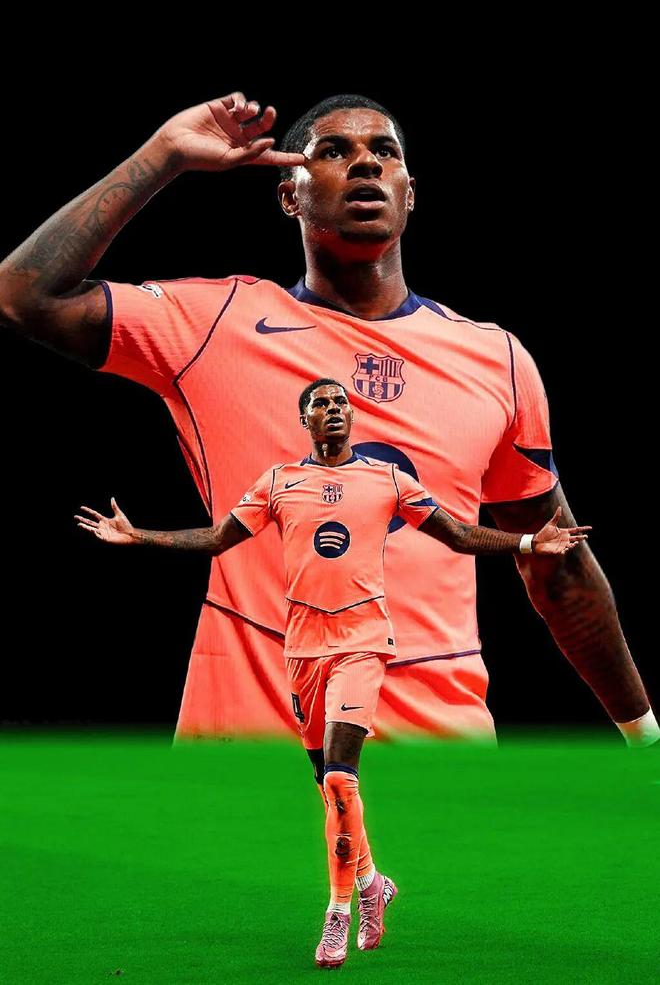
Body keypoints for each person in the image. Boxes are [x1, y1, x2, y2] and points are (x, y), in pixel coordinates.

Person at [0, 91, 657, 748]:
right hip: (247, 756)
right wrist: (165, 153)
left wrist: (643, 734)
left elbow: (557, 564)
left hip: (439, 754)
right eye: (334, 151)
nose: (365, 164)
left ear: (409, 193)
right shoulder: (211, 326)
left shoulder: (497, 359)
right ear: (290, 195)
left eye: (384, 152)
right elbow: (22, 294)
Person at [76, 377, 590, 967]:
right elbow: (218, 539)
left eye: (342, 401)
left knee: (343, 780)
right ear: (306, 421)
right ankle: (372, 880)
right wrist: (139, 535)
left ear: (352, 417)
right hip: (303, 647)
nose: (335, 408)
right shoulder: (279, 482)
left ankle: (337, 914)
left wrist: (528, 542)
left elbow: (456, 533)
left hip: (363, 642)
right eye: (321, 403)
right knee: (327, 785)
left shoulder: (388, 479)